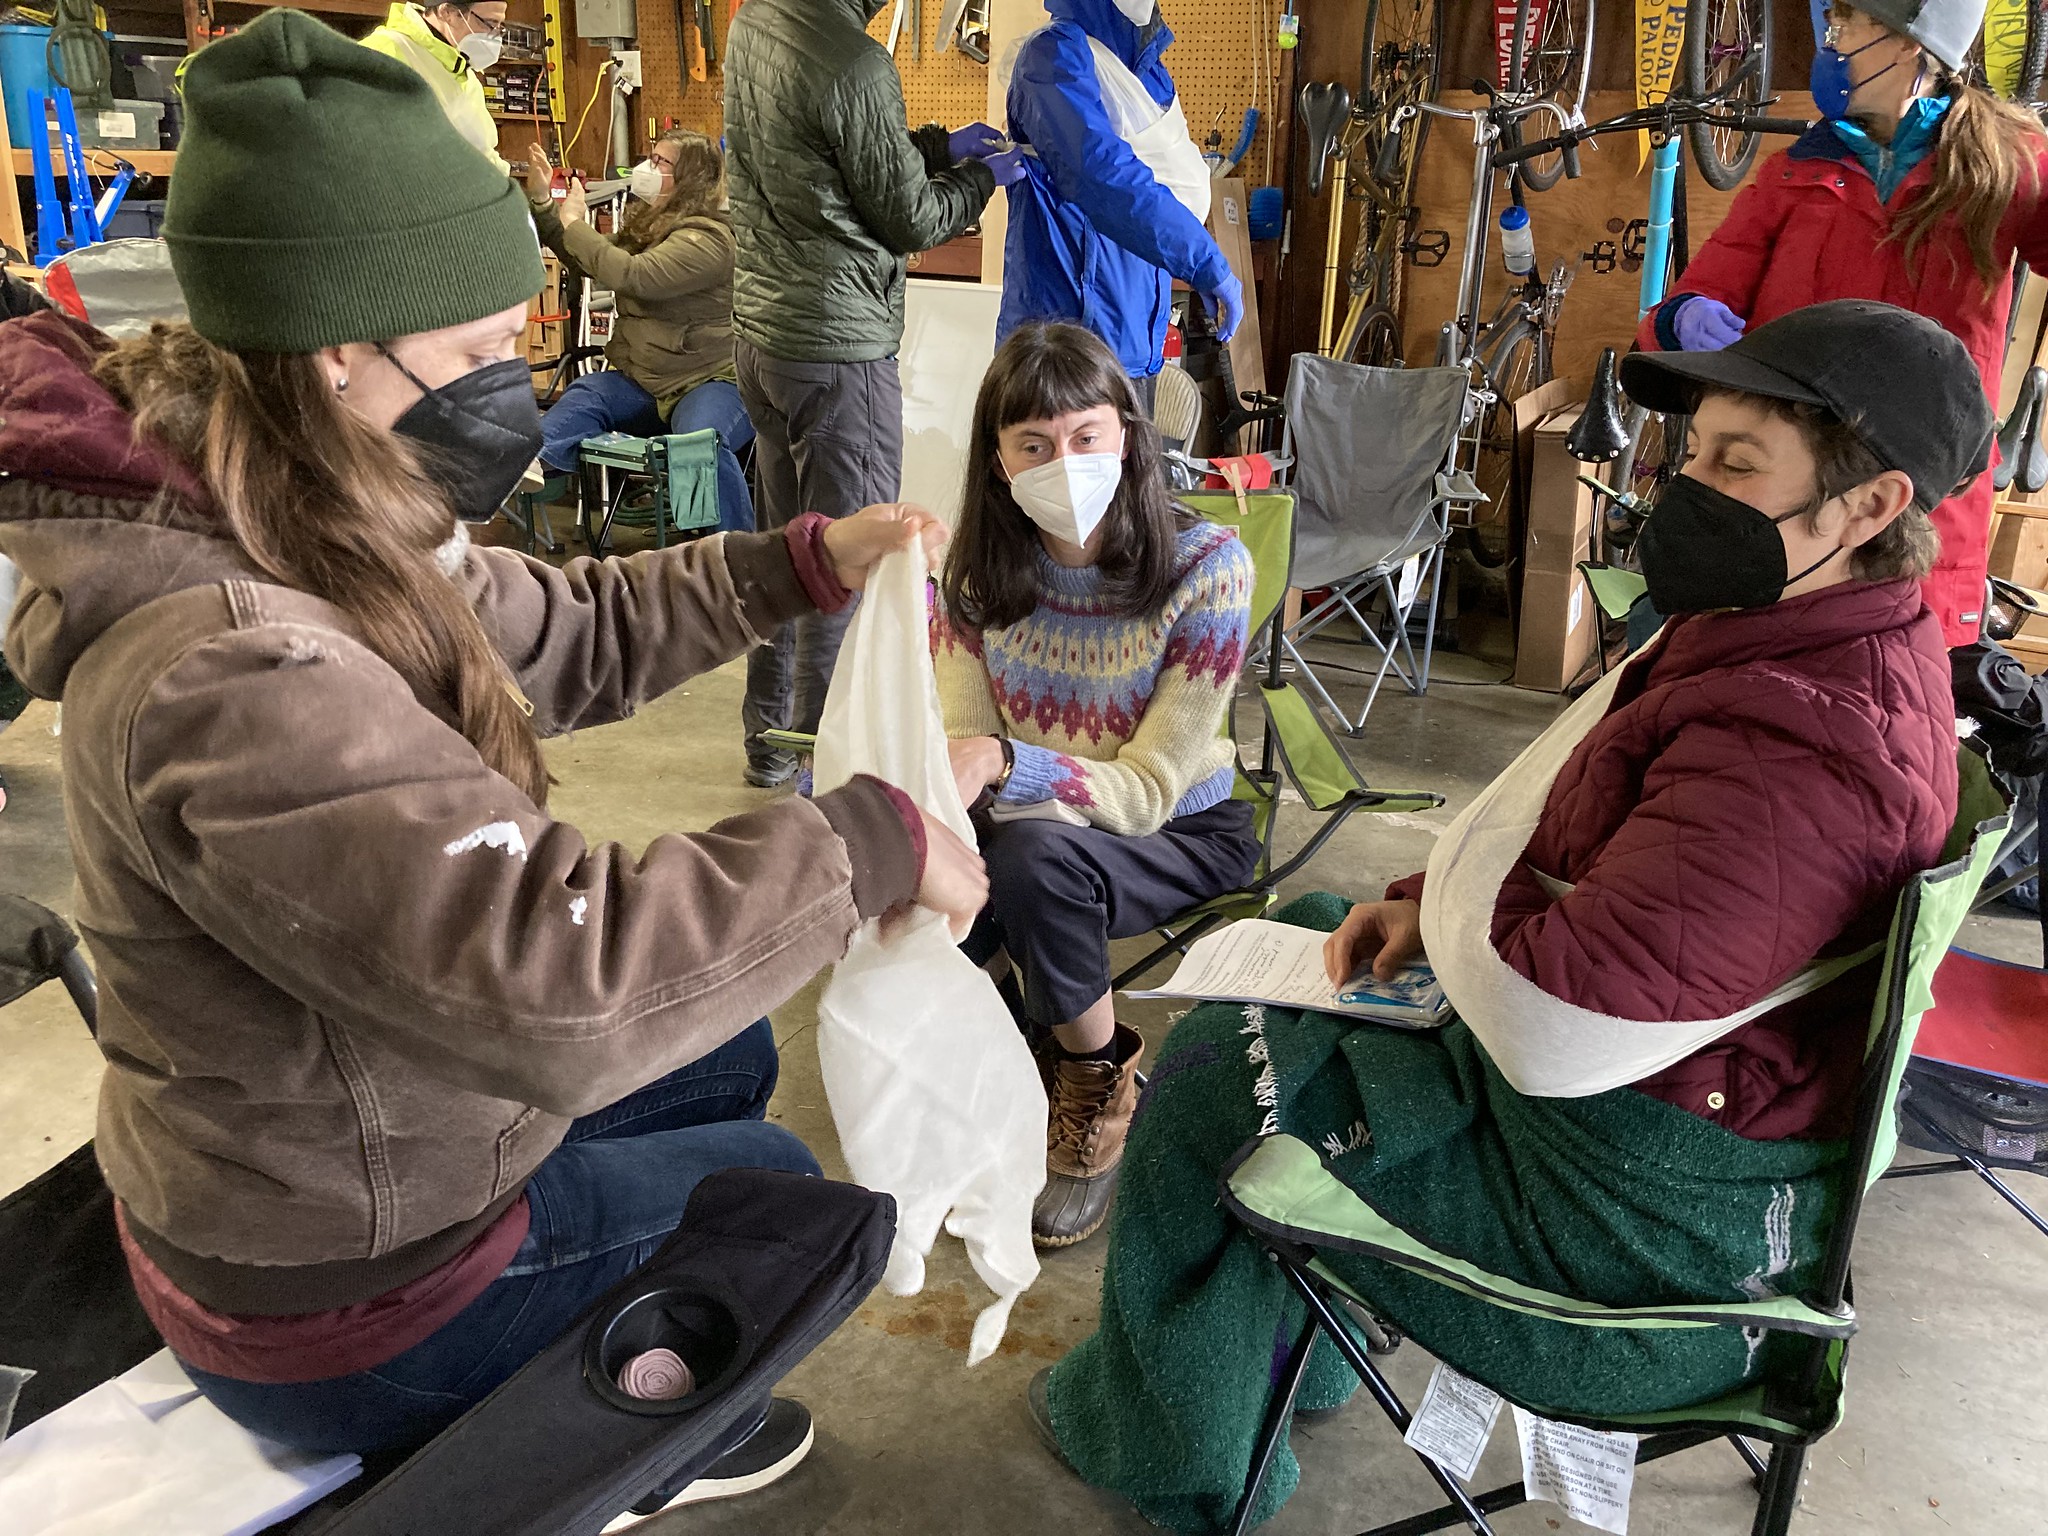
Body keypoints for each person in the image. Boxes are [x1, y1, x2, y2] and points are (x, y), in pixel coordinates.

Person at [0, 15, 987, 1519]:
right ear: (340, 344)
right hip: (340, 1286)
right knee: (784, 1193)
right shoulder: (229, 670)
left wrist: (801, 562)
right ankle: (574, 1420)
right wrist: (861, 843)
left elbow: (562, 621)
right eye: (473, 352)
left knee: (721, 1048)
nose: (508, 387)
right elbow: (563, 978)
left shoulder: (303, 487)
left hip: (350, 1128)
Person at [1027, 301, 1988, 1529]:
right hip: (1649, 1107)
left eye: (1733, 464)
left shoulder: (1801, 745)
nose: (1680, 483)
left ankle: (1177, 1451)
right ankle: (1292, 1360)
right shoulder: (1792, 638)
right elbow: (1571, 826)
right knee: (1324, 919)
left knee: (1215, 1067)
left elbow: (1551, 1023)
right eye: (1691, 451)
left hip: (1631, 1230)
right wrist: (1427, 908)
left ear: (1868, 507)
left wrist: (1462, 924)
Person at [933, 322, 1255, 1248]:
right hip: (1027, 823)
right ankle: (1004, 1066)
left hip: (1179, 832)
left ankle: (1096, 1085)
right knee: (894, 870)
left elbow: (1152, 785)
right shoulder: (975, 573)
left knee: (1033, 862)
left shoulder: (1205, 567)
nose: (1061, 461)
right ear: (997, 462)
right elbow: (960, 745)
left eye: (1085, 436)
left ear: (1128, 434)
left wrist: (1007, 760)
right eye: (1032, 444)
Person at [1634, 0, 2048, 648]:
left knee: (1894, 693)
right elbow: (1684, 302)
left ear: (1908, 43)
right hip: (1786, 493)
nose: (1832, 41)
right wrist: (1684, 317)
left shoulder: (2006, 165)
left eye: (1847, 26)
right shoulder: (1795, 172)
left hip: (1919, 504)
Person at [724, 0, 1014, 788]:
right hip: (836, 349)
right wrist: (980, 177)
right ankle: (834, 775)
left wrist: (932, 145)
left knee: (785, 550)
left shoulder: (757, 23)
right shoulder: (856, 61)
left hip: (763, 339)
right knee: (847, 565)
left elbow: (834, 160)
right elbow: (911, 216)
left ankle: (772, 742)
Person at [999, 0, 1243, 409]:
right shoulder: (1053, 57)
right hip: (1061, 349)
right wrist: (1203, 262)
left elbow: (1157, 190)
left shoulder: (1147, 73)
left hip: (1131, 346)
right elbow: (1103, 178)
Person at [523, 130, 756, 534]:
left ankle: (734, 560)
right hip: (648, 383)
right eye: (651, 158)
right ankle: (519, 467)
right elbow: (590, 258)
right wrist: (546, 205)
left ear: (690, 177)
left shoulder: (711, 241)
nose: (647, 169)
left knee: (699, 445)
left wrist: (574, 222)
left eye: (660, 162)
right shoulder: (653, 228)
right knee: (587, 394)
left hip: (708, 381)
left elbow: (633, 276)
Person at [362, 0, 508, 171]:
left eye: (500, 28)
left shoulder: (463, 73)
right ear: (448, 13)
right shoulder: (382, 52)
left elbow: (483, 154)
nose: (495, 36)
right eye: (490, 24)